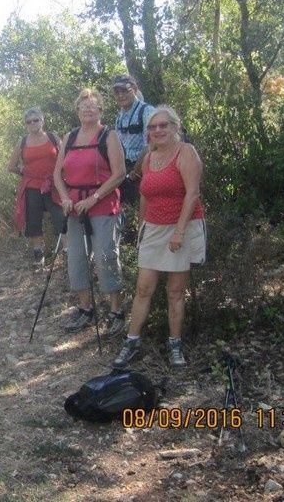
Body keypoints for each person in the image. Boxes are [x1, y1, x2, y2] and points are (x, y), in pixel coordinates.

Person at [112, 106, 205, 369]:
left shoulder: (186, 152)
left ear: (175, 127)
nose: (158, 131)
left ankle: (175, 345)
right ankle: (132, 341)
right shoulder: (149, 158)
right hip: (153, 228)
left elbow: (193, 194)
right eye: (152, 127)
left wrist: (179, 232)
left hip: (181, 226)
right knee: (143, 288)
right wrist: (142, 226)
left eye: (163, 125)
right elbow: (144, 194)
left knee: (175, 291)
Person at [53, 88, 127, 335]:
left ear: (100, 110)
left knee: (106, 257)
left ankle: (116, 311)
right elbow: (57, 174)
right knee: (76, 259)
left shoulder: (109, 136)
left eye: (92, 106)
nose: (87, 110)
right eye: (83, 107)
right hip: (75, 208)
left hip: (103, 205)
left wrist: (94, 197)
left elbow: (119, 174)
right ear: (77, 111)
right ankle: (86, 309)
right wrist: (64, 197)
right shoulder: (70, 137)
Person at [8, 108, 65, 268]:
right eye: (29, 121)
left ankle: (66, 252)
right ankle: (38, 254)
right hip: (32, 187)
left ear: (42, 120)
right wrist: (25, 173)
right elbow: (11, 166)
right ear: (26, 125)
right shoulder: (23, 141)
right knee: (34, 221)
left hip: (54, 186)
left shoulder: (53, 138)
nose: (33, 123)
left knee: (61, 217)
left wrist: (61, 177)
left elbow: (65, 159)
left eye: (36, 120)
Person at [113, 75, 155, 205]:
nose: (120, 95)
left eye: (124, 90)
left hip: (145, 170)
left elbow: (151, 146)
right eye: (117, 92)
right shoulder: (120, 116)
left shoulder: (147, 111)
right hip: (125, 171)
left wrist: (135, 173)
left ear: (134, 89)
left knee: (144, 209)